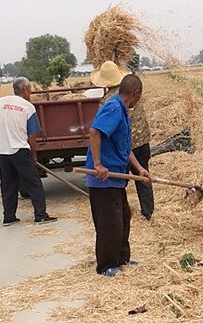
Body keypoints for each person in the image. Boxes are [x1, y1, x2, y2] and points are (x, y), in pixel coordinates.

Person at [85, 70, 150, 276]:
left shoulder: (122, 111)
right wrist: (98, 164)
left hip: (116, 178)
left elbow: (125, 147)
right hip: (105, 178)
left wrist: (140, 169)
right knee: (109, 222)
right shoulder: (113, 108)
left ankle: (122, 258)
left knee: (122, 217)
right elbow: (94, 132)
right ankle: (106, 265)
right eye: (139, 97)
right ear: (136, 93)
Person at [0, 77, 56, 226]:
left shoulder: (2, 102)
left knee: (8, 184)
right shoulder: (28, 107)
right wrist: (33, 155)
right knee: (33, 183)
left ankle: (8, 217)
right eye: (30, 88)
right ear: (25, 90)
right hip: (20, 149)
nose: (31, 91)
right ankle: (40, 215)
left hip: (3, 151)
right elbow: (32, 135)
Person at [93, 61, 154, 220]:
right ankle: (148, 212)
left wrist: (97, 163)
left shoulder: (109, 101)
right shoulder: (132, 94)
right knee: (143, 178)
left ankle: (120, 208)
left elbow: (95, 131)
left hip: (123, 147)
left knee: (120, 180)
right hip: (142, 142)